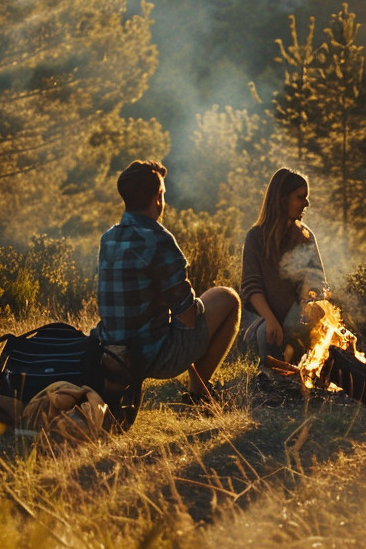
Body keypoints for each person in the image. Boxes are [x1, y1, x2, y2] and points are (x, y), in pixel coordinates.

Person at [95, 159, 241, 403]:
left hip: (110, 351)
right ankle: (198, 393)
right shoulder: (159, 239)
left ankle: (198, 391)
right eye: (163, 193)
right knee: (228, 298)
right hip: (153, 356)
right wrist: (198, 305)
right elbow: (187, 316)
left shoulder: (107, 238)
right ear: (157, 199)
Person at [240, 168, 328, 366]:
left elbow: (316, 278)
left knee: (322, 330)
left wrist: (309, 300)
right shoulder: (256, 238)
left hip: (298, 321)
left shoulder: (306, 237)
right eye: (300, 197)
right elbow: (251, 287)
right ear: (282, 199)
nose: (306, 203)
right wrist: (271, 319)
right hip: (265, 320)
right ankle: (274, 379)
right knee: (266, 335)